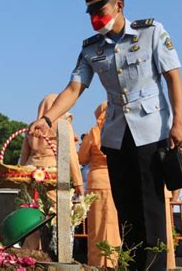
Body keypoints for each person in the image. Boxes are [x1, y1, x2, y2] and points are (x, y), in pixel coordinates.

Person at [29, 0, 182, 270]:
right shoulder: (91, 48)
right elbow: (73, 89)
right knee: (126, 210)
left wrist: (178, 122)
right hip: (116, 136)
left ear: (119, 6)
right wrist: (47, 118)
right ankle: (131, 265)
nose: (95, 17)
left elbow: (173, 77)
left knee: (150, 210)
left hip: (152, 132)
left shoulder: (150, 33)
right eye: (90, 12)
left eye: (100, 9)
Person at [20, 94, 83, 253]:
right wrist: (78, 184)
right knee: (57, 215)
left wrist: (22, 178)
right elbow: (71, 156)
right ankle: (56, 254)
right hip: (53, 175)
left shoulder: (32, 127)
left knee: (32, 215)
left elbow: (23, 156)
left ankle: (30, 254)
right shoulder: (63, 124)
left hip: (30, 174)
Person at [77, 102, 120, 267]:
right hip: (119, 181)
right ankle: (115, 260)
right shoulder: (121, 130)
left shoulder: (94, 132)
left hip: (97, 182)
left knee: (97, 225)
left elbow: (82, 158)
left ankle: (98, 263)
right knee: (115, 225)